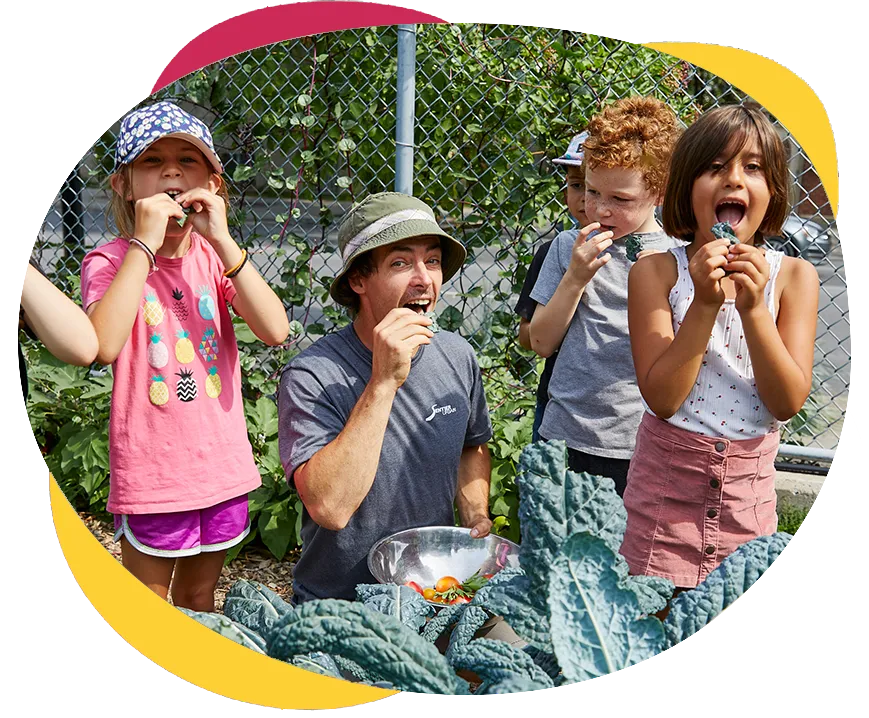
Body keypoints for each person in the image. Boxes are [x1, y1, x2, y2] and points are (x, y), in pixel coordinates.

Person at [80, 101, 290, 611]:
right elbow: (102, 345)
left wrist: (221, 238)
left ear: (213, 185)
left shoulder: (217, 259)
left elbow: (275, 329)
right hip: (154, 475)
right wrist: (144, 247)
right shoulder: (109, 262)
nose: (172, 171)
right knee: (145, 607)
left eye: (188, 161)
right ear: (124, 187)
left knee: (199, 598)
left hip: (220, 468)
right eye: (152, 161)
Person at [619, 103, 819, 600]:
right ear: (688, 188)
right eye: (714, 168)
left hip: (747, 502)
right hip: (664, 499)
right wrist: (706, 304)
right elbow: (662, 398)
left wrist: (753, 310)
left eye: (752, 168)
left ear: (771, 191)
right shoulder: (656, 273)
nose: (733, 180)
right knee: (651, 620)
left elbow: (786, 401)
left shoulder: (794, 278)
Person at [277, 191, 494, 606]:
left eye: (431, 260)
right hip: (340, 603)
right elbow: (330, 507)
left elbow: (473, 443)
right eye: (400, 263)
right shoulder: (312, 375)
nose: (423, 278)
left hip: (436, 593)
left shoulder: (456, 355)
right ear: (358, 280)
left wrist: (475, 514)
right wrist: (382, 383)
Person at [528, 97, 685, 496]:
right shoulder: (569, 246)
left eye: (621, 199)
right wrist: (576, 277)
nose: (599, 209)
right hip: (563, 437)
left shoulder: (677, 258)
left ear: (661, 191)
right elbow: (541, 342)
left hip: (642, 444)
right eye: (593, 192)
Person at [515, 131, 589, 443]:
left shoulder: (651, 256)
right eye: (576, 185)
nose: (586, 197)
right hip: (559, 403)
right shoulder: (554, 252)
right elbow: (526, 336)